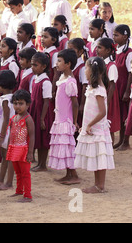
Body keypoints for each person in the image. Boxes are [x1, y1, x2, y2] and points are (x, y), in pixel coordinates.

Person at [74, 57, 115, 193]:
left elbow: (103, 112)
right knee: (96, 155)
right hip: (92, 127)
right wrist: (85, 125)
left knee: (100, 156)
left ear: (93, 70)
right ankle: (97, 184)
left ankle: (100, 185)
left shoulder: (99, 90)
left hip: (97, 128)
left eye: (86, 68)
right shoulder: (93, 88)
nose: (84, 71)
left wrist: (90, 125)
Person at [48, 49, 80, 184]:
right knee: (64, 146)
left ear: (68, 64)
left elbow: (75, 104)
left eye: (60, 61)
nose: (57, 64)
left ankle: (74, 175)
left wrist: (74, 121)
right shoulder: (62, 78)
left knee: (68, 147)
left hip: (66, 120)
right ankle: (68, 173)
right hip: (59, 119)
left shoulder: (70, 82)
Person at [4, 89, 35, 202]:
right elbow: (10, 134)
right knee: (17, 172)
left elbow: (32, 136)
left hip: (23, 149)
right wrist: (8, 148)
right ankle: (18, 191)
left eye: (21, 103)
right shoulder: (13, 119)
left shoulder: (28, 119)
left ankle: (27, 195)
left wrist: (30, 152)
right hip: (13, 148)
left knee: (25, 173)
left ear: (27, 105)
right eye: (15, 103)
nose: (18, 106)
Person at [29, 52, 53, 172]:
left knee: (43, 139)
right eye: (32, 64)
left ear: (43, 67)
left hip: (42, 113)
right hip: (34, 111)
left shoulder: (46, 82)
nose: (32, 67)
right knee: (37, 137)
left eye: (35, 65)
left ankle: (43, 164)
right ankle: (39, 163)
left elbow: (46, 102)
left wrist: (42, 118)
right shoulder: (35, 79)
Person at [112, 25, 132, 150]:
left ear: (125, 37)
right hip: (117, 86)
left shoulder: (129, 53)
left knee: (125, 114)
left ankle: (126, 141)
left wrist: (127, 91)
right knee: (120, 114)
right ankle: (121, 140)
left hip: (124, 86)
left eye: (117, 35)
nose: (114, 37)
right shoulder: (116, 50)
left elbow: (131, 73)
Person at [96, 37, 121, 142]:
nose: (97, 49)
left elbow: (112, 86)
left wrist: (107, 102)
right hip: (100, 96)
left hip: (108, 98)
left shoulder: (111, 66)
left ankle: (109, 149)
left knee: (108, 125)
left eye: (99, 47)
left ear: (108, 50)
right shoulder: (100, 63)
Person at [68, 38, 89, 129]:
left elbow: (85, 87)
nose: (69, 52)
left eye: (72, 50)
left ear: (80, 51)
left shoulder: (82, 68)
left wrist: (82, 104)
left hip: (78, 100)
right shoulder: (70, 66)